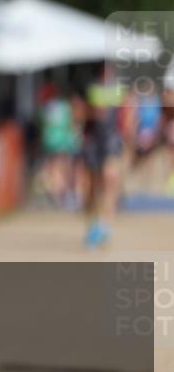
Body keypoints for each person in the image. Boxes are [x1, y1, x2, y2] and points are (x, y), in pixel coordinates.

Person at [80, 81, 125, 248]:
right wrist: (90, 110)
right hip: (92, 139)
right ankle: (92, 226)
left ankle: (104, 226)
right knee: (91, 187)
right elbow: (81, 112)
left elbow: (127, 113)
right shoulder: (87, 78)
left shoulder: (120, 82)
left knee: (110, 180)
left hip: (111, 138)